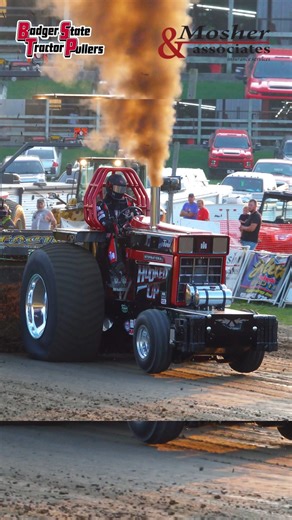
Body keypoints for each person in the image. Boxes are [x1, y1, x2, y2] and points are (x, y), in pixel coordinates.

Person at [96, 173, 139, 278]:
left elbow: (138, 216)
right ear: (110, 188)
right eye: (118, 189)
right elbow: (103, 220)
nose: (120, 192)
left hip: (129, 234)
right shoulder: (102, 205)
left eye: (122, 189)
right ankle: (116, 267)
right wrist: (110, 223)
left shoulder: (129, 204)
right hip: (111, 236)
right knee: (110, 240)